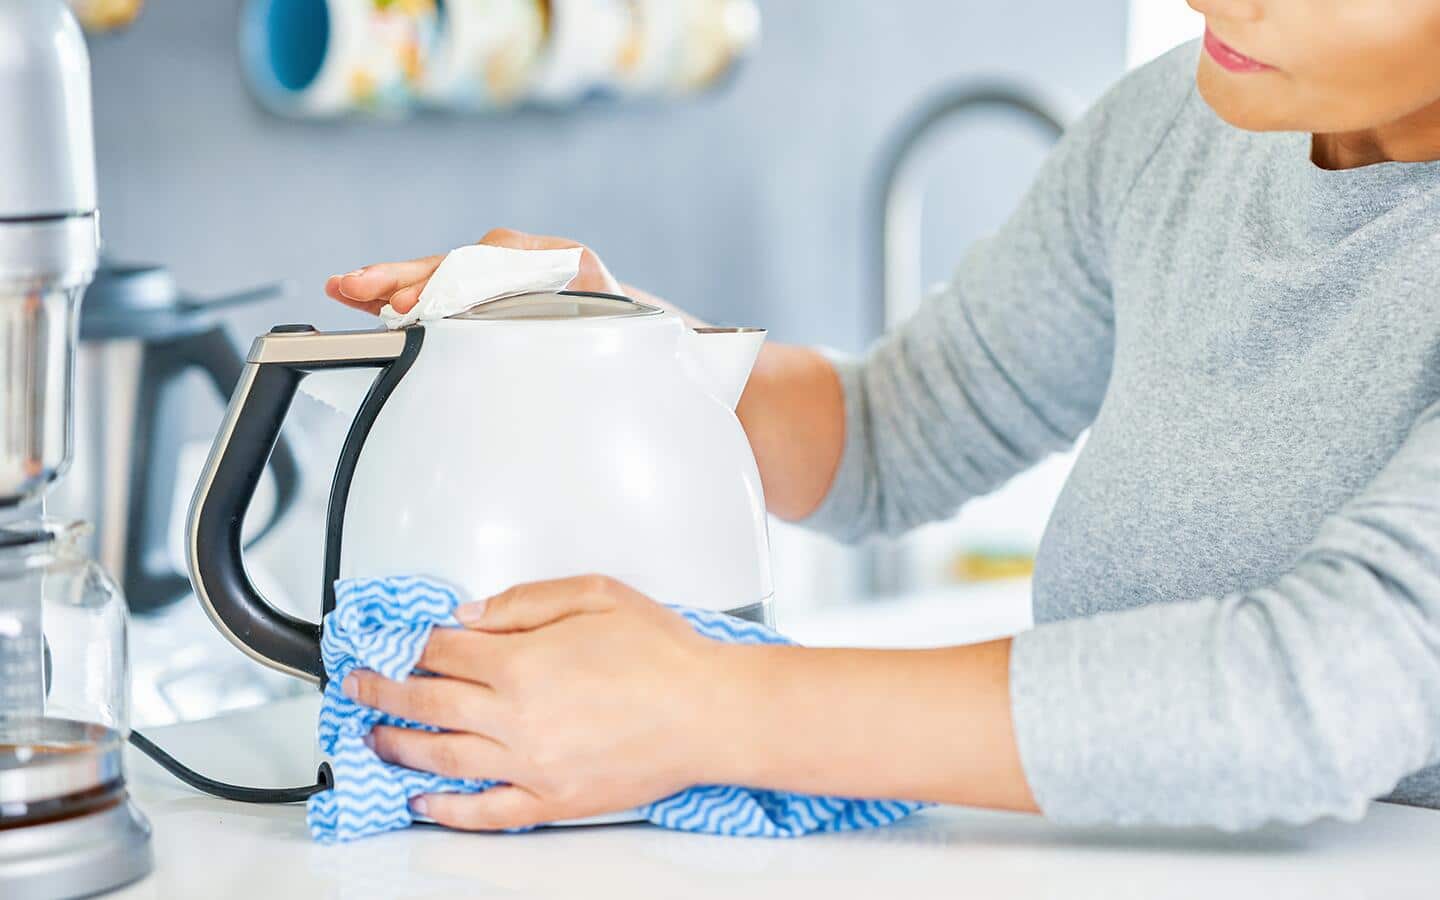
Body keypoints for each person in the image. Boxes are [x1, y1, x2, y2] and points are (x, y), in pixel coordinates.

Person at [320, 0, 1440, 832]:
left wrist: (709, 705)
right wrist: (627, 348)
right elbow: (902, 430)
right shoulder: (1177, 132)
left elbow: (1321, 691)